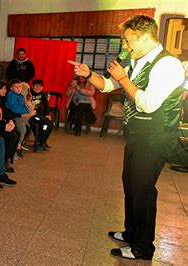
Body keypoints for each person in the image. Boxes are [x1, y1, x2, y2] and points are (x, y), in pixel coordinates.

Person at [69, 15, 185, 261]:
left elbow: (147, 104)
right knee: (130, 184)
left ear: (144, 36)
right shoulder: (137, 61)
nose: (125, 44)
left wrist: (123, 78)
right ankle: (132, 232)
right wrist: (89, 73)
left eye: (128, 38)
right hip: (137, 134)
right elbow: (107, 86)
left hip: (155, 135)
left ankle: (143, 247)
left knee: (143, 189)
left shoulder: (168, 65)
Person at [6, 79, 37, 158]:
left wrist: (27, 106)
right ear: (11, 88)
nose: (19, 89)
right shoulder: (11, 96)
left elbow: (23, 105)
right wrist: (27, 110)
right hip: (14, 116)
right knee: (22, 130)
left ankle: (20, 143)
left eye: (20, 86)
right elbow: (15, 109)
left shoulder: (20, 95)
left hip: (20, 115)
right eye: (16, 87)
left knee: (28, 128)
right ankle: (17, 148)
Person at [29, 79, 53, 152]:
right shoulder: (29, 93)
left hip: (38, 113)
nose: (38, 88)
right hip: (31, 114)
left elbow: (46, 105)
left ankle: (43, 141)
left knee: (50, 124)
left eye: (40, 86)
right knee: (45, 124)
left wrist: (47, 114)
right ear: (32, 86)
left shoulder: (42, 94)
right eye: (36, 86)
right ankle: (39, 143)